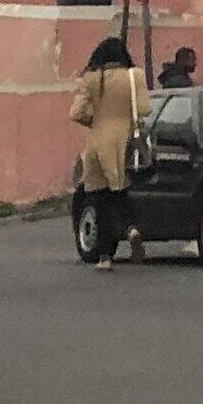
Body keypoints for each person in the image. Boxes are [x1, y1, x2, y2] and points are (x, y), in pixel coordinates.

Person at [68, 33, 148, 263]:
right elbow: (144, 109)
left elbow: (75, 113)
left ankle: (104, 256)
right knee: (121, 192)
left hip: (97, 141)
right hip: (124, 140)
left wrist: (94, 121)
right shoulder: (135, 76)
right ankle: (131, 229)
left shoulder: (91, 79)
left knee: (98, 198)